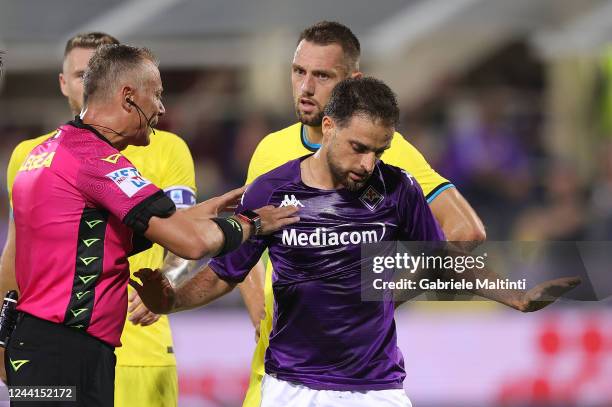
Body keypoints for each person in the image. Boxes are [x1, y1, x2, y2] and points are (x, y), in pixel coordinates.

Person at [133, 77, 578, 407]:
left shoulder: (395, 189)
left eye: (379, 151)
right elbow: (226, 274)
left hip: (376, 389)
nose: (368, 164)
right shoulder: (271, 190)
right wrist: (170, 300)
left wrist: (516, 297)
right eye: (359, 147)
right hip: (293, 388)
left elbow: (440, 261)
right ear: (328, 127)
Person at [5, 44, 299, 407]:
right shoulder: (99, 164)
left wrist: (209, 209)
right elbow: (189, 244)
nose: (161, 107)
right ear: (129, 97)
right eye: (156, 95)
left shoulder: (42, 153)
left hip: (32, 348)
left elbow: (108, 234)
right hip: (71, 355)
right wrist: (253, 222)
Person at [237, 21, 486, 407]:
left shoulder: (388, 153)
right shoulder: (270, 150)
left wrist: (383, 295)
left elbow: (465, 232)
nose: (305, 87)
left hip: (353, 377)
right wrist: (259, 310)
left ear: (352, 80)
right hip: (277, 370)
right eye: (299, 71)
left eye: (322, 75)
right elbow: (246, 241)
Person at [0, 32, 190, 407]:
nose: (87, 83)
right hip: (52, 347)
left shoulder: (166, 147)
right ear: (64, 83)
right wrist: (1, 335)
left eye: (94, 74)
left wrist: (168, 282)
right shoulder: (32, 154)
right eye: (80, 74)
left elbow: (186, 237)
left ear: (122, 87)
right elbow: (14, 253)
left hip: (142, 354)